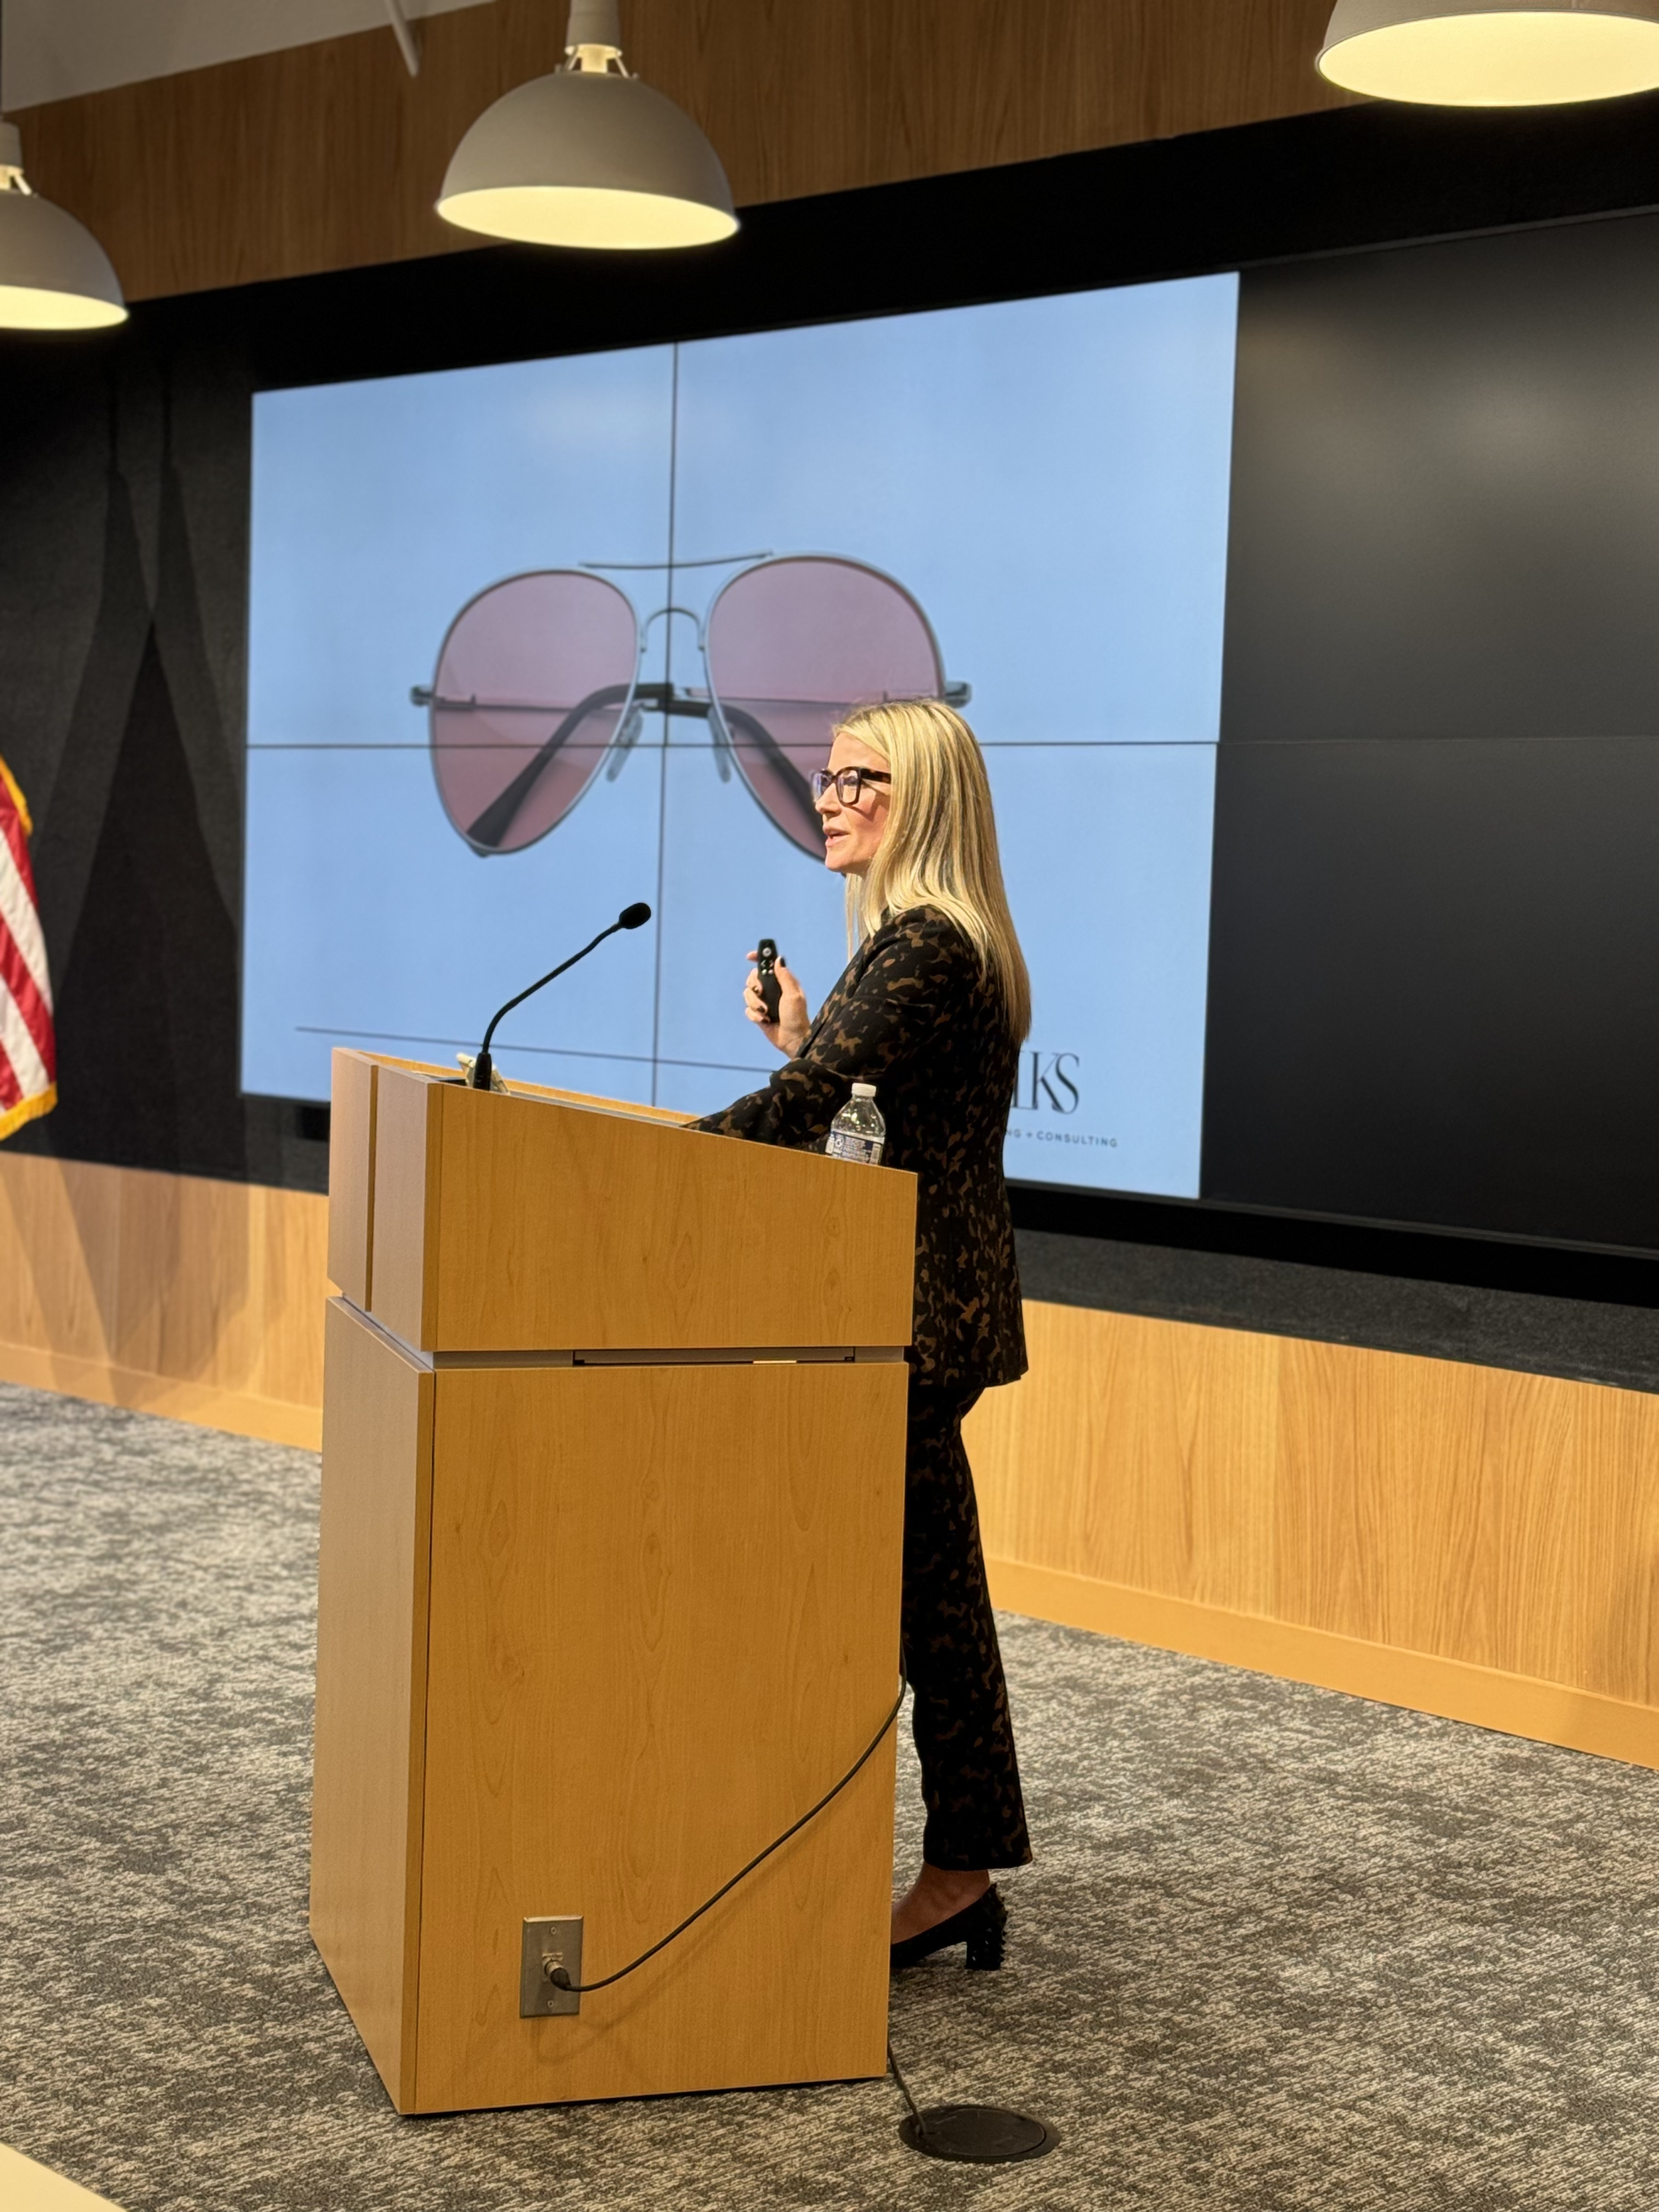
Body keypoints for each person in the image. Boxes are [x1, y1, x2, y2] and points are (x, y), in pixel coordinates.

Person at [692, 697, 1032, 1970]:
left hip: (907, 1313)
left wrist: (641, 1166)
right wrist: (804, 1037)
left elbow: (803, 1110)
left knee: (914, 1598)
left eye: (861, 779)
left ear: (925, 798)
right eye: (827, 777)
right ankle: (965, 1865)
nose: (829, 797)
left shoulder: (926, 949)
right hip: (910, 1307)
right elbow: (868, 1107)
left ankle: (958, 1868)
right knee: (931, 1593)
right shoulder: (923, 942)